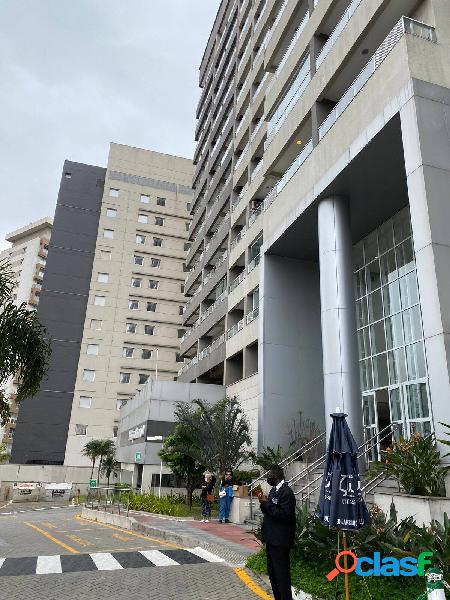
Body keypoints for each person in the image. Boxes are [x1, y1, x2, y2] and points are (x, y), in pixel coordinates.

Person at [258, 464, 296, 600]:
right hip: (271, 539)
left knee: (282, 577)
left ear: (276, 476)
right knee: (273, 574)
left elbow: (283, 514)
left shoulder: (287, 493)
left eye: (269, 476)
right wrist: (263, 502)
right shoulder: (274, 490)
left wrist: (266, 504)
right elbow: (269, 510)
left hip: (280, 542)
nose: (268, 478)